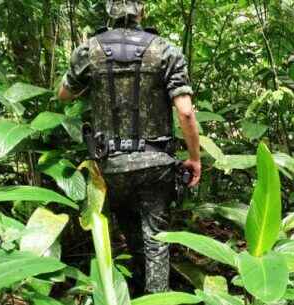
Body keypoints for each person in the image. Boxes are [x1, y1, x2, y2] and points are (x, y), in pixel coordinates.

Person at [57, 0, 201, 294]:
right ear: (142, 10)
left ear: (109, 10)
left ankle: (133, 292)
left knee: (132, 233)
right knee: (156, 240)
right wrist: (195, 158)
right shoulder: (165, 50)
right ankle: (156, 297)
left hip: (111, 166)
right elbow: (185, 112)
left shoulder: (89, 50)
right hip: (155, 164)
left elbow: (63, 95)